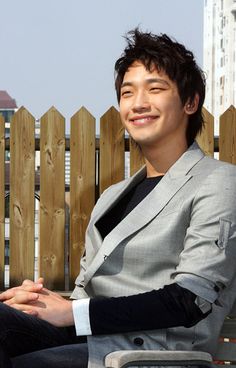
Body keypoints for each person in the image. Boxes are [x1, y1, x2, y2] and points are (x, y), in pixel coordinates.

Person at [0, 28, 236, 368]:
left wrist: (73, 312)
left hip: (149, 353)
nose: (138, 103)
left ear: (190, 102)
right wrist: (40, 302)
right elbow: (84, 295)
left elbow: (191, 299)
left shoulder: (219, 182)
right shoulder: (112, 197)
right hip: (89, 340)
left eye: (155, 89)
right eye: (128, 92)